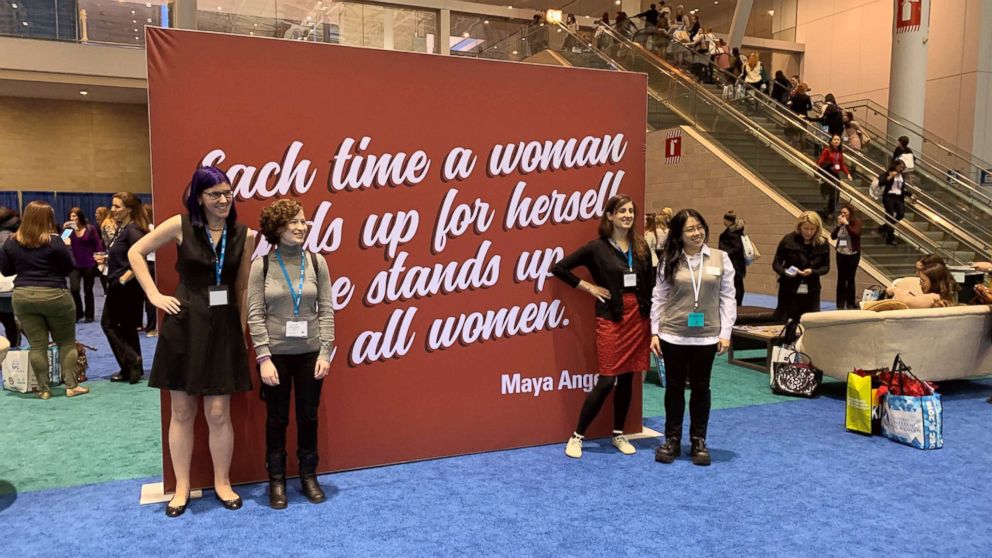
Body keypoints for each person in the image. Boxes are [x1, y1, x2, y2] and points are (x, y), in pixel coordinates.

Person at [129, 166, 254, 517]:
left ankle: (222, 482)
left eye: (228, 193)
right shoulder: (179, 225)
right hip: (184, 326)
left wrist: (241, 330)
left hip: (224, 328)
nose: (223, 200)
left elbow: (242, 287)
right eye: (214, 194)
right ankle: (182, 485)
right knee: (182, 411)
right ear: (199, 197)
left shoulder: (245, 235)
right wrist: (153, 294)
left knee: (218, 412)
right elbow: (135, 253)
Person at [552, 194, 654, 459]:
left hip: (639, 319)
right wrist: (588, 287)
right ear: (609, 216)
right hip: (611, 318)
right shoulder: (596, 248)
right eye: (621, 211)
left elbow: (651, 284)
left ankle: (618, 433)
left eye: (631, 211)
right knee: (607, 379)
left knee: (629, 377)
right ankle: (577, 436)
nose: (627, 215)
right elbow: (559, 268)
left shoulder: (641, 246)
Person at [248, 199, 335, 509]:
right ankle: (277, 480)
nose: (301, 227)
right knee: (277, 419)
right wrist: (264, 357)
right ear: (277, 228)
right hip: (276, 356)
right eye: (294, 222)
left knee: (308, 416)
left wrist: (326, 351)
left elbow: (326, 309)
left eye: (303, 221)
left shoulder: (316, 262)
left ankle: (309, 476)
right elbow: (255, 314)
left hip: (311, 353)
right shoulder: (263, 265)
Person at [650, 209, 736, 467]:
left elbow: (728, 297)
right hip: (673, 334)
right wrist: (654, 331)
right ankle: (672, 440)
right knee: (674, 388)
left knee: (701, 388)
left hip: (706, 336)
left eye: (699, 227)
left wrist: (725, 333)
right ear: (679, 234)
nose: (696, 233)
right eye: (690, 229)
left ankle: (699, 440)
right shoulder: (669, 260)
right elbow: (659, 296)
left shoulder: (721, 258)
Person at [0, 201, 89, 399]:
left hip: (23, 296)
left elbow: (6, 270)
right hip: (55, 294)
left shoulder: (12, 242)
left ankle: (43, 389)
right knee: (66, 343)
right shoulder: (55, 241)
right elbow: (68, 268)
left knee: (37, 346)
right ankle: (72, 386)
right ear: (48, 219)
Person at [95, 193, 148, 384]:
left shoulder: (133, 230)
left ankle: (131, 359)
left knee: (107, 324)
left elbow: (142, 256)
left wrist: (125, 278)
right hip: (120, 284)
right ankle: (132, 369)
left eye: (117, 206)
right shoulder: (123, 229)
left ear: (130, 209)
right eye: (113, 206)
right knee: (126, 328)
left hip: (123, 286)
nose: (113, 210)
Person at [772, 211, 830, 321]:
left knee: (811, 321)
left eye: (812, 229)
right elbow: (776, 264)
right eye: (805, 228)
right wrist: (786, 272)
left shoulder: (822, 243)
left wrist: (813, 271)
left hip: (812, 289)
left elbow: (826, 267)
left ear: (817, 229)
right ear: (799, 227)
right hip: (789, 288)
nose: (809, 232)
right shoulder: (788, 240)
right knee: (785, 320)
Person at [65, 207, 103, 323]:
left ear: (80, 217)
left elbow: (98, 244)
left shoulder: (90, 229)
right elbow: (59, 243)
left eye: (75, 216)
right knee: (74, 289)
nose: (72, 218)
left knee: (88, 290)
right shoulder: (69, 230)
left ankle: (89, 315)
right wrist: (64, 230)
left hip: (89, 263)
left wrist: (100, 259)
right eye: (71, 216)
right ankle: (78, 313)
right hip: (74, 264)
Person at [886, 259, 958, 308]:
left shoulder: (934, 298)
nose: (920, 284)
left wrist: (895, 290)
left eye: (923, 281)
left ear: (934, 282)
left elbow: (904, 302)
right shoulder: (946, 297)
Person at [831, 204, 862, 309]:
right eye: (842, 212)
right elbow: (833, 236)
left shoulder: (856, 222)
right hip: (841, 253)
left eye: (845, 213)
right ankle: (839, 304)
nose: (843, 214)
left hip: (852, 254)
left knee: (850, 278)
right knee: (841, 278)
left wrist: (847, 224)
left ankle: (850, 303)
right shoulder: (841, 224)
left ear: (850, 214)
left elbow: (855, 234)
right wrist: (839, 225)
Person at [816, 134, 853, 220]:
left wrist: (848, 174)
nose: (836, 141)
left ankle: (830, 211)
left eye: (838, 140)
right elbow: (821, 160)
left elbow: (842, 164)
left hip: (835, 174)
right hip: (828, 172)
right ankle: (828, 211)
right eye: (835, 139)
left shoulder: (839, 152)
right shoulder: (827, 150)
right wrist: (817, 169)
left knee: (836, 192)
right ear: (831, 141)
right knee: (832, 192)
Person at [877, 159, 913, 245]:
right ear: (895, 166)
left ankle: (884, 227)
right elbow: (881, 182)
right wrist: (890, 176)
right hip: (889, 197)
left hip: (899, 198)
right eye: (900, 167)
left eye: (903, 168)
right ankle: (890, 239)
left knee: (901, 214)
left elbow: (901, 188)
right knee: (890, 217)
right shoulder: (888, 173)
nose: (901, 169)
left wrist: (910, 194)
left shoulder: (902, 176)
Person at [0, 207, 20, 346]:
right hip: (13, 284)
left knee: (9, 321)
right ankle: (15, 353)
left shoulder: (5, 236)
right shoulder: (17, 232)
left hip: (5, 283)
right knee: (10, 322)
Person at [718, 211, 747, 306]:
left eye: (724, 219)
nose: (723, 221)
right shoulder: (738, 232)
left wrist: (725, 253)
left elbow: (737, 247)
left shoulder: (731, 234)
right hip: (739, 265)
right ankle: (738, 304)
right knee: (738, 285)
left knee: (734, 286)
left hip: (734, 264)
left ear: (728, 220)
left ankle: (736, 305)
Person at [142, 204, 158, 336]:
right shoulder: (140, 228)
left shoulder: (152, 229)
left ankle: (152, 326)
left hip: (151, 263)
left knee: (149, 297)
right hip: (142, 263)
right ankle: (147, 324)